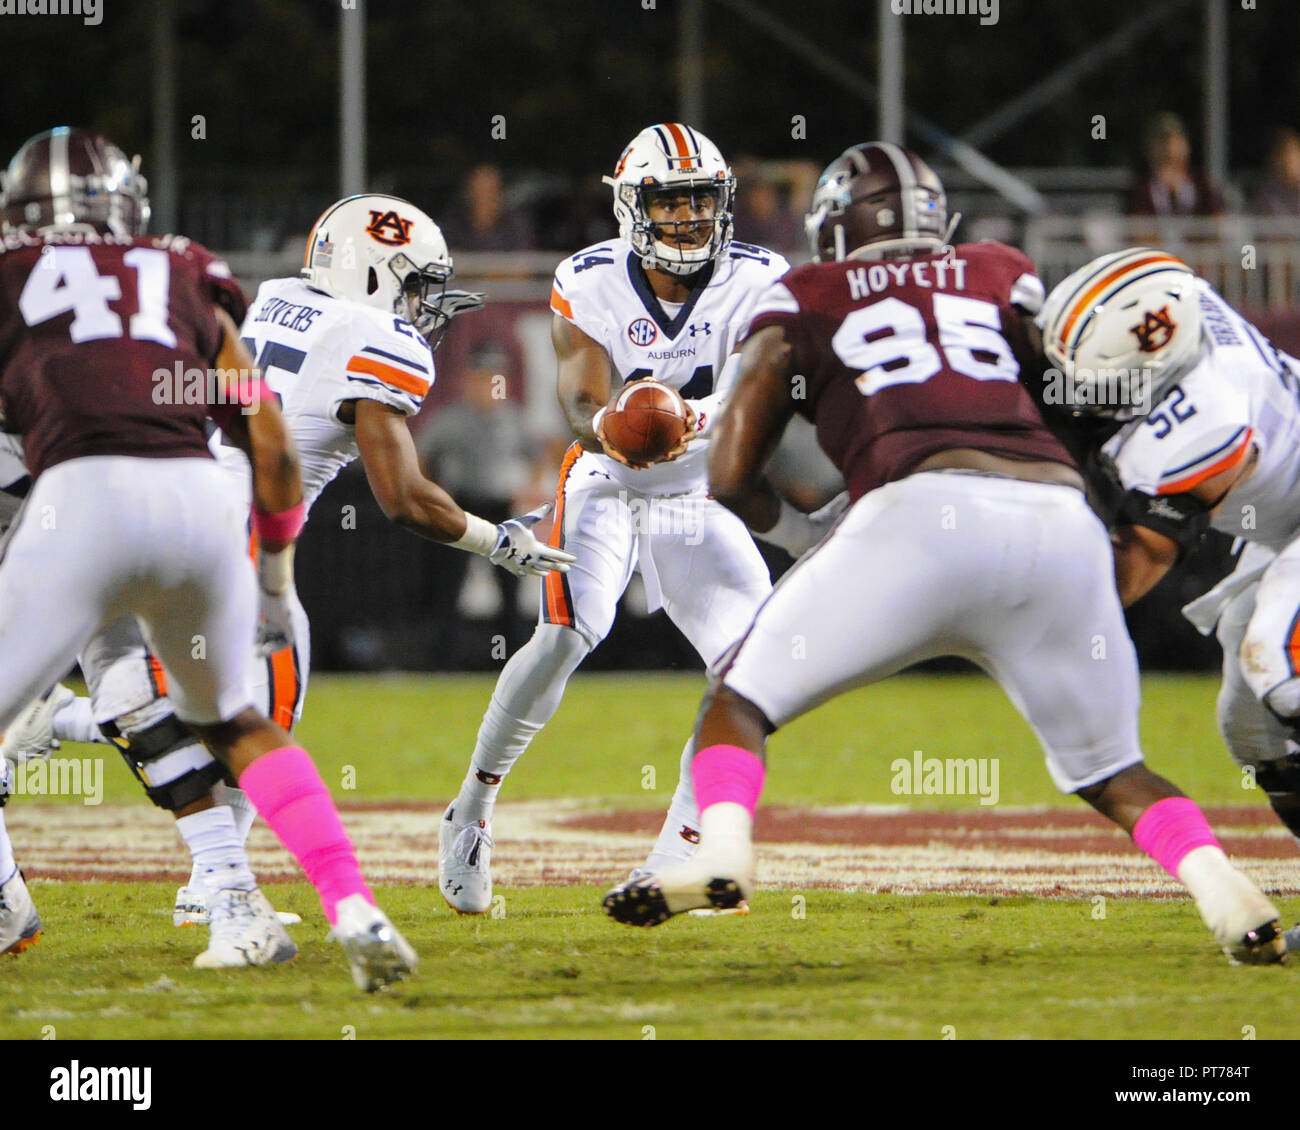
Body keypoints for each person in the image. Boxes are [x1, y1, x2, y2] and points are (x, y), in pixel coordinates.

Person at [602, 142, 1286, 967]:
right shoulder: (998, 270)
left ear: (835, 232)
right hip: (1054, 520)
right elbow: (1065, 392)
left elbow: (729, 471)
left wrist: (802, 533)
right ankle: (1229, 898)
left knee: (736, 703)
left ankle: (721, 850)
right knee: (1113, 770)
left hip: (913, 515)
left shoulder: (803, 293)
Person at [2, 191, 576, 930]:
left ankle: (187, 845)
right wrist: (495, 540)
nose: (424, 308)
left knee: (216, 703)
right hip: (223, 532)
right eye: (415, 285)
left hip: (153, 498)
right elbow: (402, 497)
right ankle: (216, 874)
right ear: (374, 274)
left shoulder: (274, 300)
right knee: (255, 713)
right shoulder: (376, 339)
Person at [0, 127, 419, 990]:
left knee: (108, 678)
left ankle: (9, 892)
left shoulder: (10, 276)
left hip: (77, 499)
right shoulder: (183, 269)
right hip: (199, 503)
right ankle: (340, 904)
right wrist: (270, 583)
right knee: (231, 716)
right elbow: (269, 442)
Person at [439, 123, 830, 914]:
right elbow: (581, 398)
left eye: (699, 200)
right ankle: (471, 811)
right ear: (631, 207)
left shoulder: (761, 278)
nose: (687, 217)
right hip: (609, 482)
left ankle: (679, 856)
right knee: (566, 633)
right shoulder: (590, 279)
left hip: (700, 491)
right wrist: (617, 423)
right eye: (669, 200)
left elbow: (776, 387)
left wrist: (691, 416)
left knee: (751, 672)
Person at [1031, 247, 1300, 947]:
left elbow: (1139, 562)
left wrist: (1025, 618)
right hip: (1284, 527)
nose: (1081, 398)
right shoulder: (1175, 310)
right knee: (1250, 725)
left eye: (1098, 385)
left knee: (1277, 660)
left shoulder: (1207, 418)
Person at [1127, 112, 1223, 218]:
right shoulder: (1138, 190)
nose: (1168, 146)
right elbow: (1137, 227)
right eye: (1161, 140)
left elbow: (1216, 226)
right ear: (1148, 148)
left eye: (1174, 139)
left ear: (1186, 146)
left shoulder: (1204, 187)